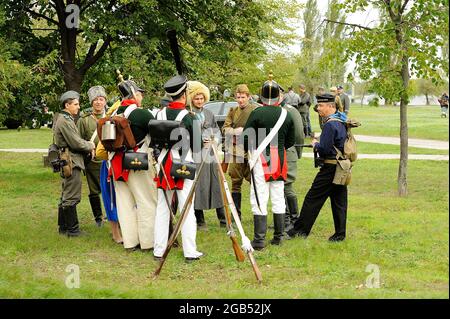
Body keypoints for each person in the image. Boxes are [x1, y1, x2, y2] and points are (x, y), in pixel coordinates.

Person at [153, 74, 204, 262]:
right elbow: (197, 146)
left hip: (164, 163)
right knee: (186, 207)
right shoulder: (190, 117)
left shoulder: (159, 114)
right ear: (184, 95)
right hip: (184, 162)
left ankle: (158, 249)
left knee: (162, 208)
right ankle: (190, 251)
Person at [287, 93, 348, 242]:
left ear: (331, 106)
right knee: (339, 202)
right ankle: (340, 234)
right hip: (341, 168)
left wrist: (315, 144)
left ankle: (300, 231)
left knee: (312, 199)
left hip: (329, 168)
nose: (318, 108)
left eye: (321, 105)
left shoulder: (329, 124)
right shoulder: (341, 121)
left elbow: (325, 149)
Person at [243, 76, 295, 249]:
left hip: (261, 159)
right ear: (278, 96)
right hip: (279, 159)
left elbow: (246, 139)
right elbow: (290, 141)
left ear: (262, 96)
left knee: (259, 197)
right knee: (278, 196)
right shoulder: (286, 114)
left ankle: (259, 240)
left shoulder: (257, 113)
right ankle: (279, 237)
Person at [109, 79, 157, 252]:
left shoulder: (115, 111)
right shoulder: (142, 114)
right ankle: (148, 242)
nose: (141, 96)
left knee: (124, 203)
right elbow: (156, 134)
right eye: (140, 93)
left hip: (116, 163)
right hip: (138, 162)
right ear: (134, 94)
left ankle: (129, 242)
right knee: (146, 201)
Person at [53, 91, 96, 236]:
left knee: (66, 193)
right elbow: (76, 143)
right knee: (72, 195)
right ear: (67, 105)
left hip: (69, 159)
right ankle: (73, 230)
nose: (78, 107)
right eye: (76, 104)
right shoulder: (65, 120)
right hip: (71, 161)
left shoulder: (65, 118)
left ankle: (63, 228)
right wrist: (90, 145)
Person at [187, 80, 226, 229]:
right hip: (196, 154)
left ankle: (223, 219)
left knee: (217, 185)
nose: (199, 101)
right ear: (192, 99)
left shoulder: (209, 113)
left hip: (211, 154)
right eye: (196, 99)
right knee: (199, 186)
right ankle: (200, 220)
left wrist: (214, 141)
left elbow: (217, 131)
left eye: (201, 98)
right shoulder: (189, 115)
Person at [222, 84, 256, 220]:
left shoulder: (255, 110)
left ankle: (258, 213)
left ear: (248, 97)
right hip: (236, 151)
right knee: (235, 183)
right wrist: (236, 131)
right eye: (238, 97)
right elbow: (225, 129)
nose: (240, 100)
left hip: (251, 151)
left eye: (243, 97)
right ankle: (236, 214)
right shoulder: (232, 111)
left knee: (255, 182)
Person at [77, 85, 107, 227]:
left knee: (110, 189)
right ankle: (98, 218)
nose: (98, 102)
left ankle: (111, 215)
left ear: (105, 101)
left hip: (109, 161)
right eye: (95, 100)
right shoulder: (84, 120)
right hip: (92, 162)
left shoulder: (111, 117)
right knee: (94, 190)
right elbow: (78, 140)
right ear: (91, 102)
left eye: (101, 99)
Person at [280, 90, 305, 233]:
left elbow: (299, 135)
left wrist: (297, 153)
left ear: (282, 95)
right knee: (279, 187)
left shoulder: (291, 111)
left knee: (287, 185)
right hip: (274, 155)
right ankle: (284, 218)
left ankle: (295, 219)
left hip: (288, 153)